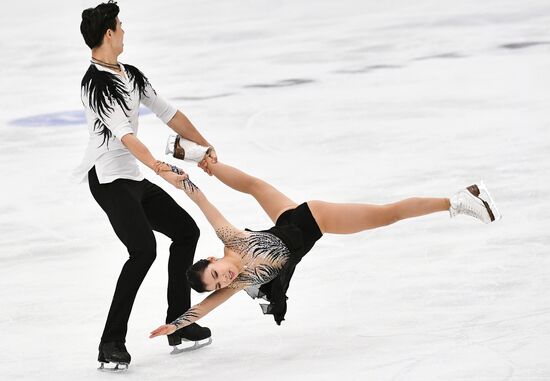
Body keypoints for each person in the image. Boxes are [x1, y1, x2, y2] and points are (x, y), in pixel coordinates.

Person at [149, 137, 501, 340]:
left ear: (212, 259)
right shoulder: (240, 280)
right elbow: (207, 306)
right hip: (287, 222)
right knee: (256, 186)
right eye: (217, 284)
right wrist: (175, 325)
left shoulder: (232, 240)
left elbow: (199, 198)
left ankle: (459, 199)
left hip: (312, 219)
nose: (222, 280)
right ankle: (197, 154)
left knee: (386, 214)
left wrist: (167, 172)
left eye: (215, 274)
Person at [76, 1, 215, 370]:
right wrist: (160, 168)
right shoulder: (96, 84)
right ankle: (111, 342)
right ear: (108, 33)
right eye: (120, 26)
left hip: (134, 177)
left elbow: (170, 113)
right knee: (143, 250)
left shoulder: (131, 74)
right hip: (109, 179)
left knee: (185, 231)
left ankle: (179, 325)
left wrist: (204, 148)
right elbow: (124, 136)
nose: (124, 31)